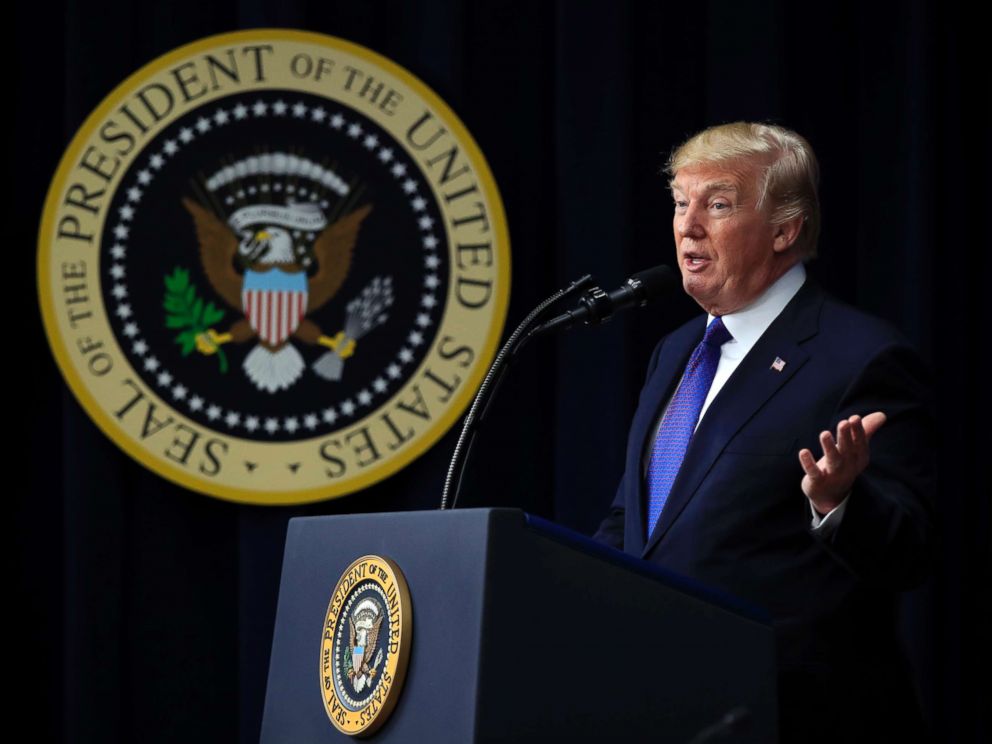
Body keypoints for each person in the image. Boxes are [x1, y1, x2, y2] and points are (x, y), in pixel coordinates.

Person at [593, 122, 937, 743]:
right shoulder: (675, 353)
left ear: (786, 229)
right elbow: (637, 523)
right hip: (665, 708)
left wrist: (838, 503)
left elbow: (912, 549)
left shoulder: (859, 355)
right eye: (680, 202)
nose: (687, 225)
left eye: (718, 204)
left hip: (793, 717)